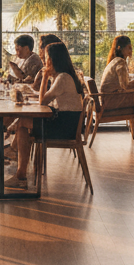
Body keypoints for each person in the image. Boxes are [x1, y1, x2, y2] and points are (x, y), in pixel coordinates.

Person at [7, 42, 85, 189]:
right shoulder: (65, 76)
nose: (44, 61)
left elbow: (43, 101)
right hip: (66, 122)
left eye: (47, 58)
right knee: (22, 123)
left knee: (22, 123)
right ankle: (18, 168)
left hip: (65, 127)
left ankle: (18, 168)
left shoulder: (63, 78)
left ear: (54, 59)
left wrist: (44, 77)